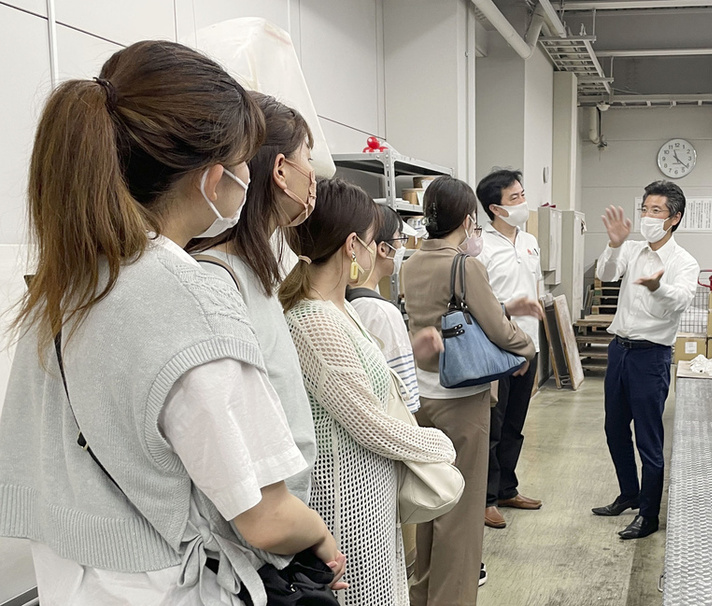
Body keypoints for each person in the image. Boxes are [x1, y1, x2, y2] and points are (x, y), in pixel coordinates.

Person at [0, 41, 345, 605]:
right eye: (243, 165)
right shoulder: (189, 297)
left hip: (68, 578)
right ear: (215, 182)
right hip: (164, 584)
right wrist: (322, 537)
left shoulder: (67, 279)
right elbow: (263, 515)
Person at [280, 178, 457, 606]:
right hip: (345, 501)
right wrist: (438, 444)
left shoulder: (342, 309)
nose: (380, 251)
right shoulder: (314, 319)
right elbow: (369, 423)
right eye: (376, 240)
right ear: (352, 244)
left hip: (371, 494)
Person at [403, 175, 540, 606]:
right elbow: (496, 329)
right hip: (462, 399)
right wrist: (527, 347)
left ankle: (422, 594)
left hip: (422, 396)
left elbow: (453, 316)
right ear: (467, 220)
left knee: (429, 503)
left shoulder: (410, 262)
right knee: (460, 515)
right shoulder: (465, 264)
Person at [186, 92, 318, 503]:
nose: (314, 175)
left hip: (285, 512)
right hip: (263, 521)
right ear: (281, 169)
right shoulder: (216, 278)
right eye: (308, 159)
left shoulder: (255, 269)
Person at [592, 180, 700, 540]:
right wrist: (613, 243)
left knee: (649, 439)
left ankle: (649, 515)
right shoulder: (633, 249)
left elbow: (680, 301)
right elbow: (606, 275)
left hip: (651, 357)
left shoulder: (684, 262)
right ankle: (630, 494)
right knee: (614, 429)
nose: (647, 216)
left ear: (674, 218)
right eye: (645, 209)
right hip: (619, 351)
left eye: (656, 211)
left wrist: (658, 287)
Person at [475, 169, 545, 530]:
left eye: (522, 193)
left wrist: (532, 345)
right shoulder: (480, 247)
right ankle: (486, 498)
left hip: (528, 346)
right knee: (494, 425)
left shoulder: (530, 241)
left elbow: (535, 290)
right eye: (514, 198)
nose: (523, 202)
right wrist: (509, 346)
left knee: (516, 423)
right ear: (495, 209)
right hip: (497, 348)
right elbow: (481, 303)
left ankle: (506, 488)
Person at [347, 205, 443, 414]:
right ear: (383, 249)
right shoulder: (382, 312)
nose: (401, 247)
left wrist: (409, 350)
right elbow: (404, 400)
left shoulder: (347, 302)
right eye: (400, 239)